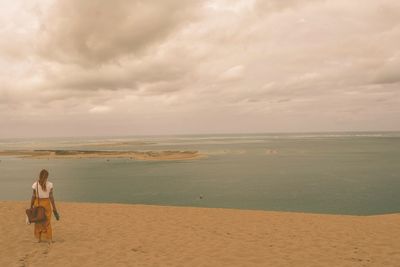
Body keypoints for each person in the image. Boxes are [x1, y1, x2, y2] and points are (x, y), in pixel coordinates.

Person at [30, 169, 60, 243]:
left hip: (37, 203)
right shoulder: (50, 185)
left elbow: (33, 196)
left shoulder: (35, 184)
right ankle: (49, 239)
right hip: (46, 204)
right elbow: (51, 197)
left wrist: (31, 206)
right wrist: (54, 209)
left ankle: (38, 239)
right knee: (47, 222)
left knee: (38, 222)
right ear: (47, 177)